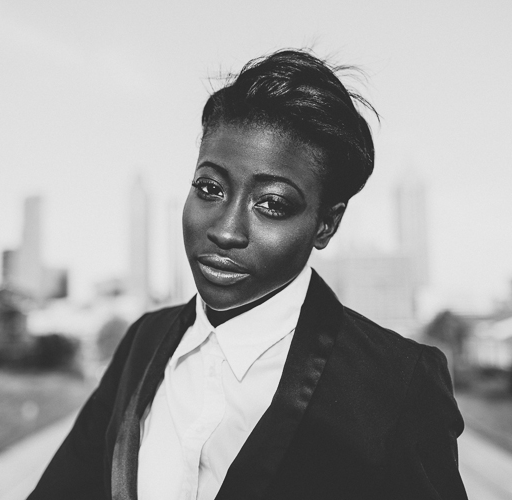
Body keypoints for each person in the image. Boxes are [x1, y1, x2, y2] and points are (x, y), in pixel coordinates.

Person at [28, 49, 468, 500]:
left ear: (325, 225)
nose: (225, 230)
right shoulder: (143, 343)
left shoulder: (397, 385)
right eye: (210, 188)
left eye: (272, 204)